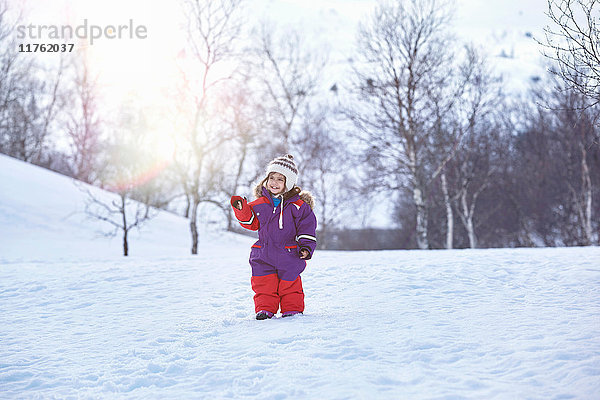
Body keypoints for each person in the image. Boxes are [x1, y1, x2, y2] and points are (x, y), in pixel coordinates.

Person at [230, 154, 317, 320]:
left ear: (288, 183)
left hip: (289, 253)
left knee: (290, 283)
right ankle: (264, 309)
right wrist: (242, 209)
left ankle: (292, 310)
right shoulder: (260, 203)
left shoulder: (298, 206)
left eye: (280, 179)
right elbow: (251, 222)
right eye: (271, 178)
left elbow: (307, 227)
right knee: (263, 283)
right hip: (264, 252)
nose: (274, 183)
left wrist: (305, 247)